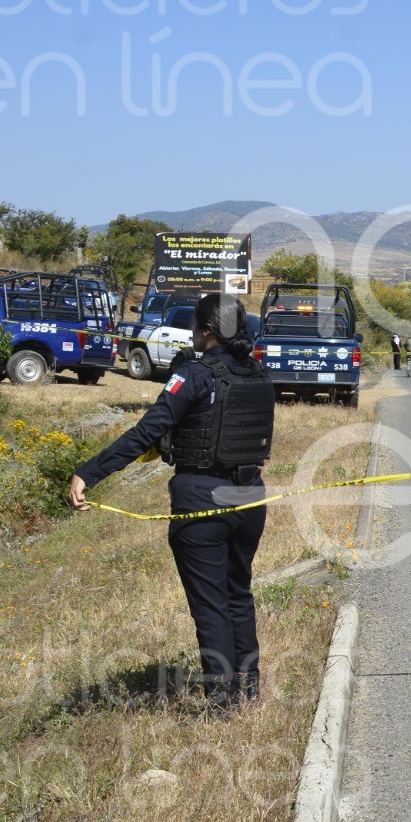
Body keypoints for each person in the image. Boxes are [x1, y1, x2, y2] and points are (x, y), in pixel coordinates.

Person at [68, 293, 276, 710]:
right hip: (251, 497)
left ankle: (221, 700)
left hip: (202, 502)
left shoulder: (195, 376)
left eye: (195, 326)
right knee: (238, 592)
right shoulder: (259, 374)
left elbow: (146, 432)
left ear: (207, 330)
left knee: (211, 604)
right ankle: (248, 685)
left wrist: (89, 472)